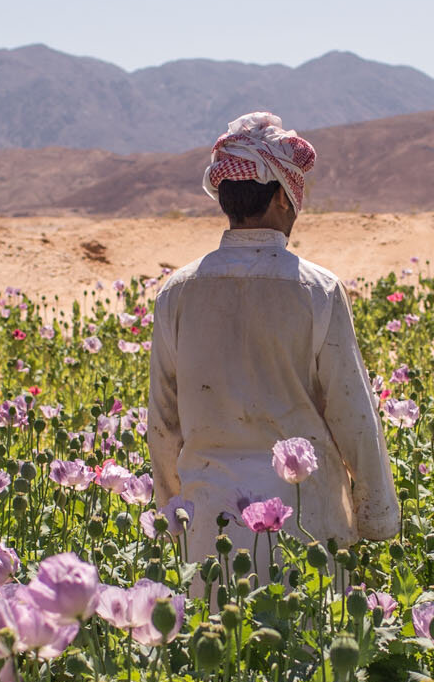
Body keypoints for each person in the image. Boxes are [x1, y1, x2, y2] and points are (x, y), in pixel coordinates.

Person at [146, 112, 401, 567]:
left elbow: (163, 425)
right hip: (305, 523)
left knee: (219, 637)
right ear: (283, 196)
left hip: (209, 526)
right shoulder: (316, 290)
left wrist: (173, 513)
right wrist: (376, 516)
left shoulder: (177, 291)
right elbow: (352, 413)